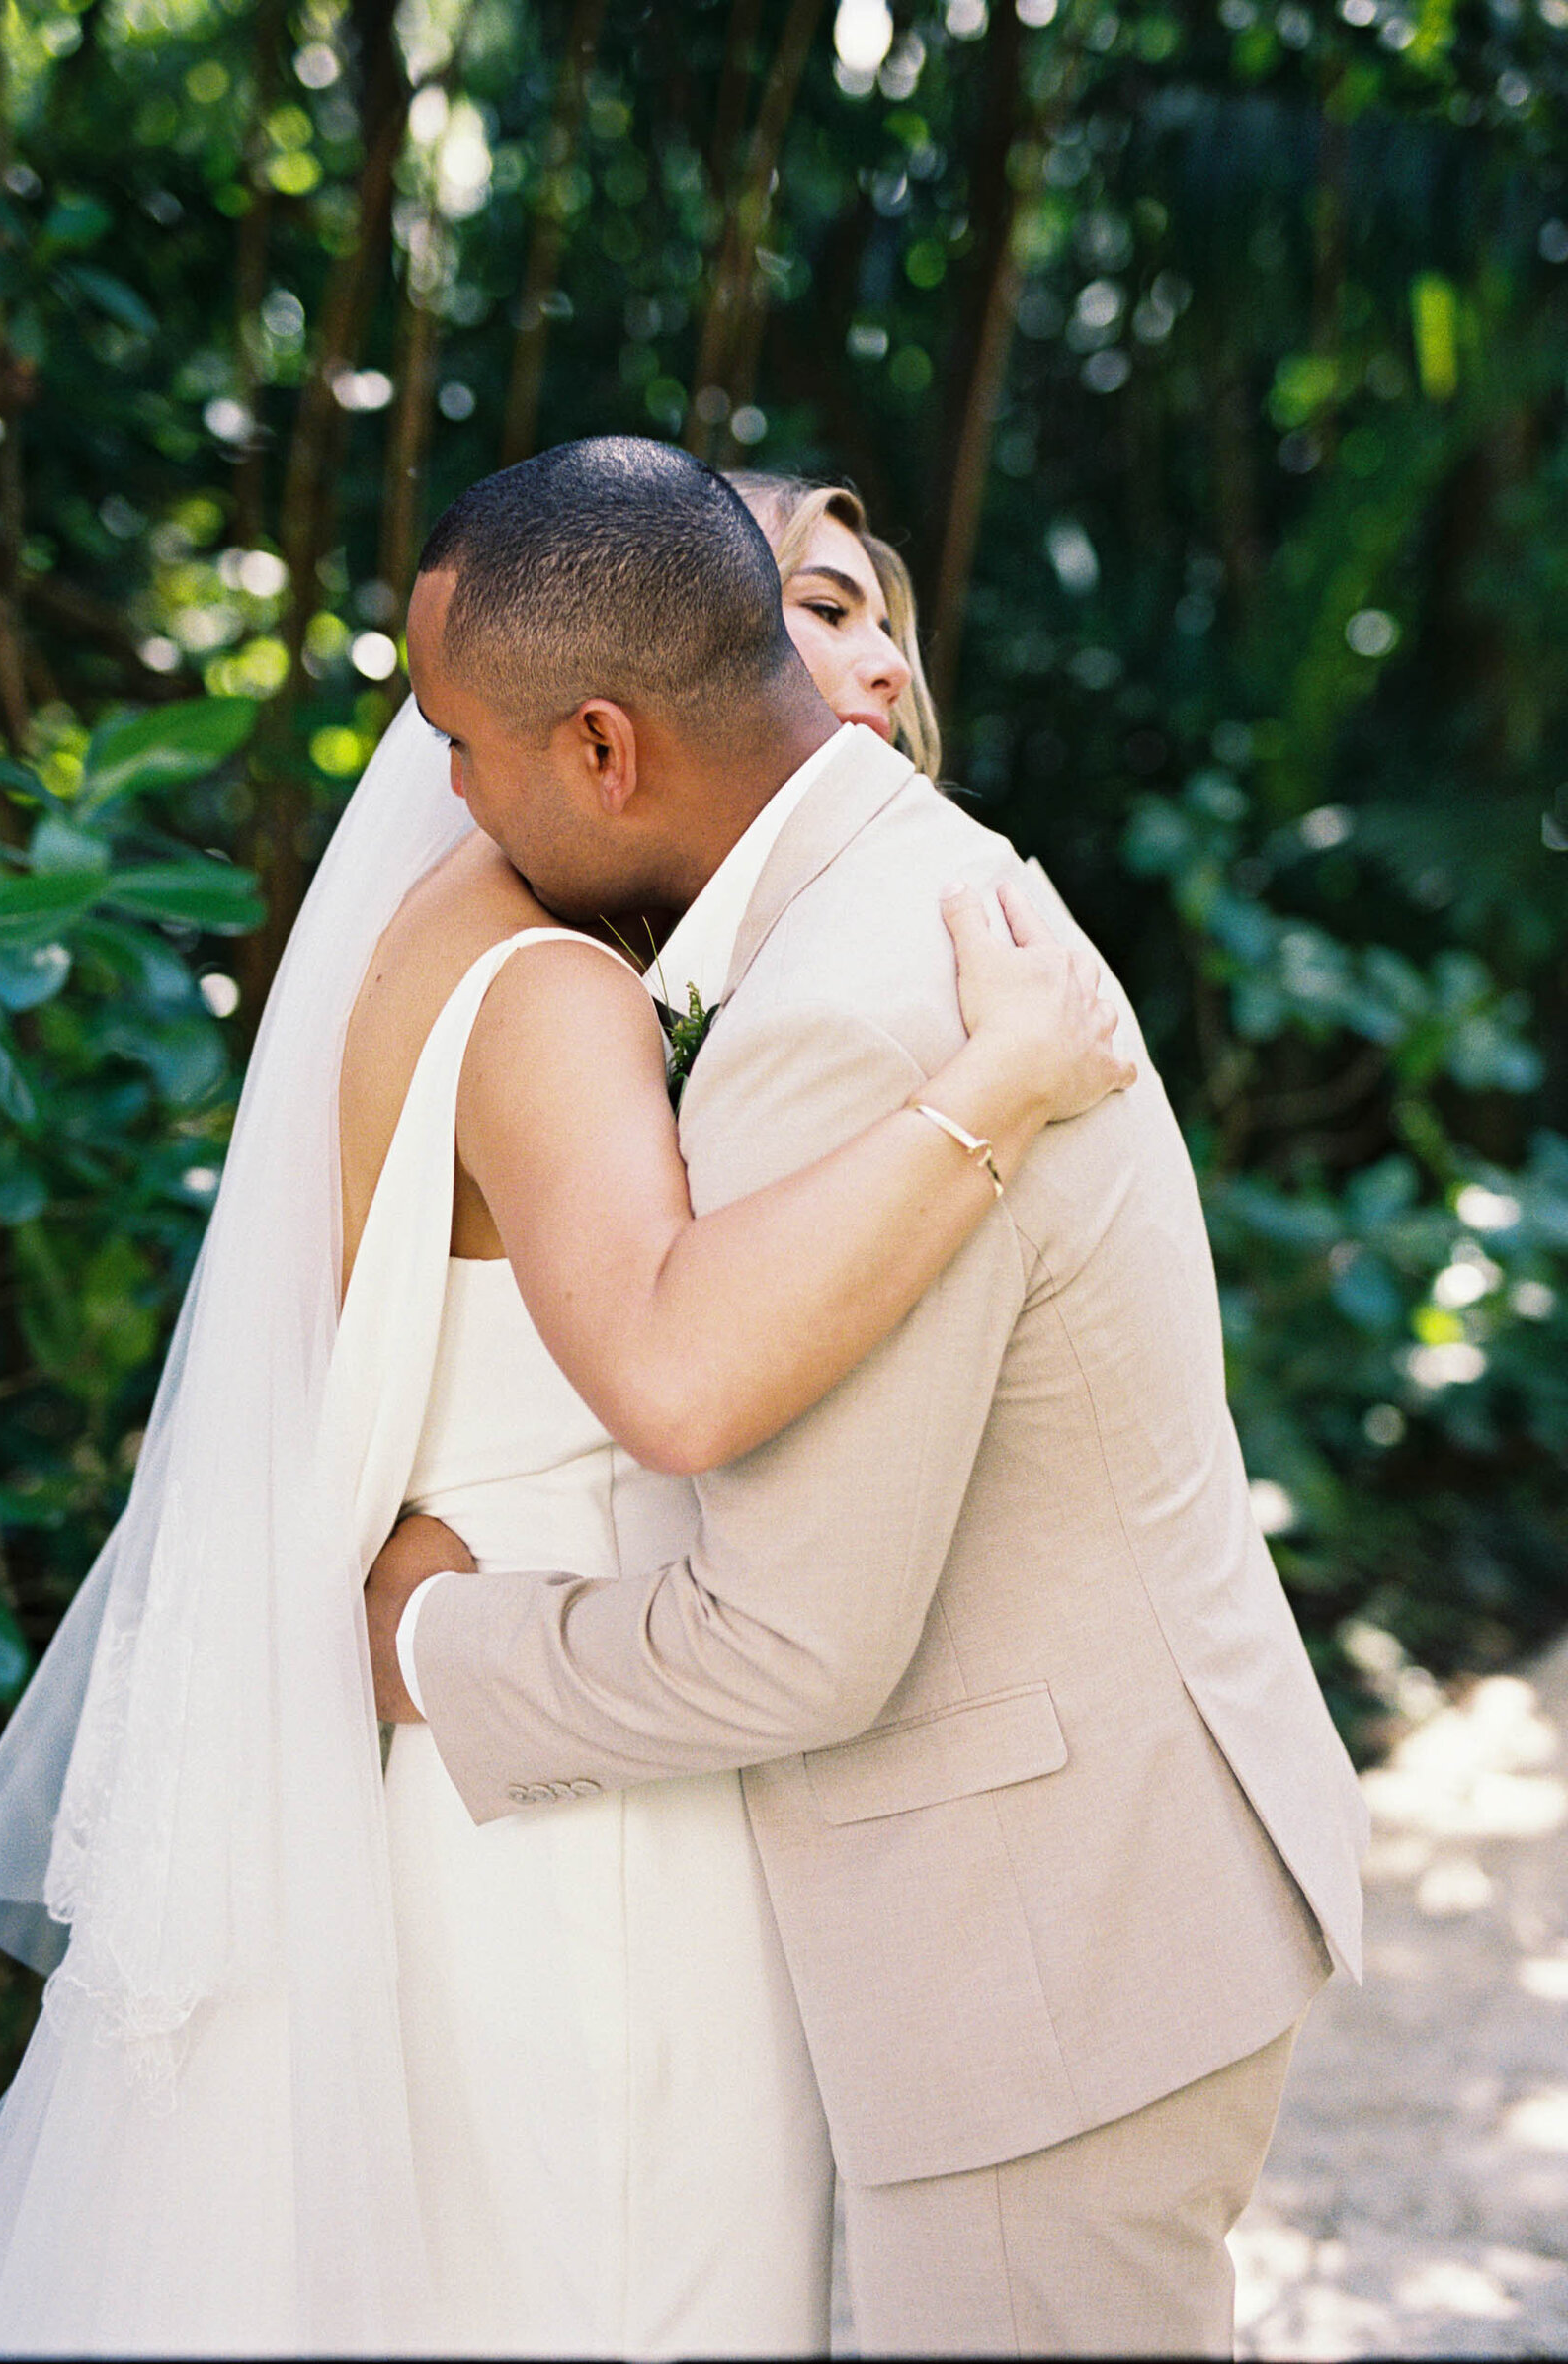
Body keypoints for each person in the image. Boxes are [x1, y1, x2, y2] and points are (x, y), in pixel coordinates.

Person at [0, 442, 1126, 2355]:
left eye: (460, 737)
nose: (440, 784)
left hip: (491, 1779)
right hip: (591, 1816)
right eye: (808, 614)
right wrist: (990, 1089)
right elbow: (676, 1365)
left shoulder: (477, 953)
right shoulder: (544, 993)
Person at [369, 439, 1372, 2361]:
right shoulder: (903, 893)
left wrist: (431, 1638)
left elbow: (788, 1650)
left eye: (463, 742)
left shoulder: (841, 1008)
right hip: (1121, 1881)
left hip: (1044, 1971)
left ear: (599, 748)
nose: (448, 796)